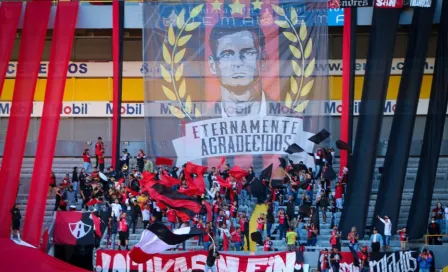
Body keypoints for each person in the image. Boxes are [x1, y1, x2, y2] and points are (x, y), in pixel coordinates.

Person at [207, 18, 272, 118]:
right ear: (212, 65)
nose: (237, 62)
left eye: (248, 53)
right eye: (227, 55)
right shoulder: (198, 126)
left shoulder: (295, 121)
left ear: (263, 61)